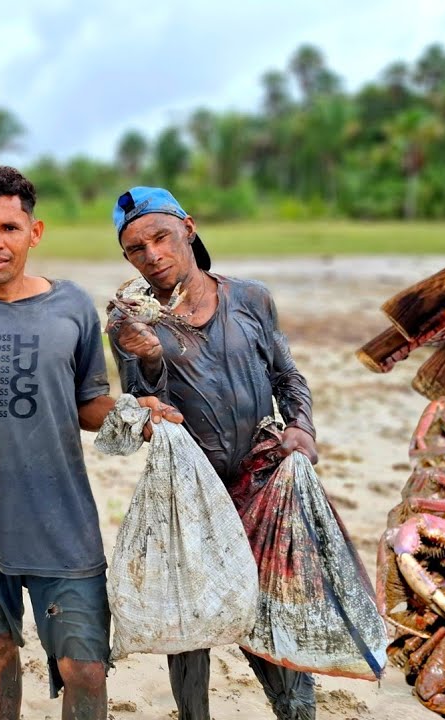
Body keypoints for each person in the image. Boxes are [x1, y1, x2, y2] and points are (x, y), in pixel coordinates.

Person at [0, 166, 180, 720]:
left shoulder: (72, 306)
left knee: (85, 669)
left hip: (63, 522)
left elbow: (87, 403)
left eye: (9, 228)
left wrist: (134, 412)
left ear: (34, 232)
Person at [107, 186, 319, 720]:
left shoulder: (250, 299)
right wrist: (149, 359)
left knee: (276, 610)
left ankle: (296, 711)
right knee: (189, 622)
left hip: (260, 480)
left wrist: (301, 427)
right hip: (189, 491)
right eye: (136, 249)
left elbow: (286, 375)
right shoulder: (129, 321)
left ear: (189, 228)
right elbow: (142, 410)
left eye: (161, 237)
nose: (153, 255)